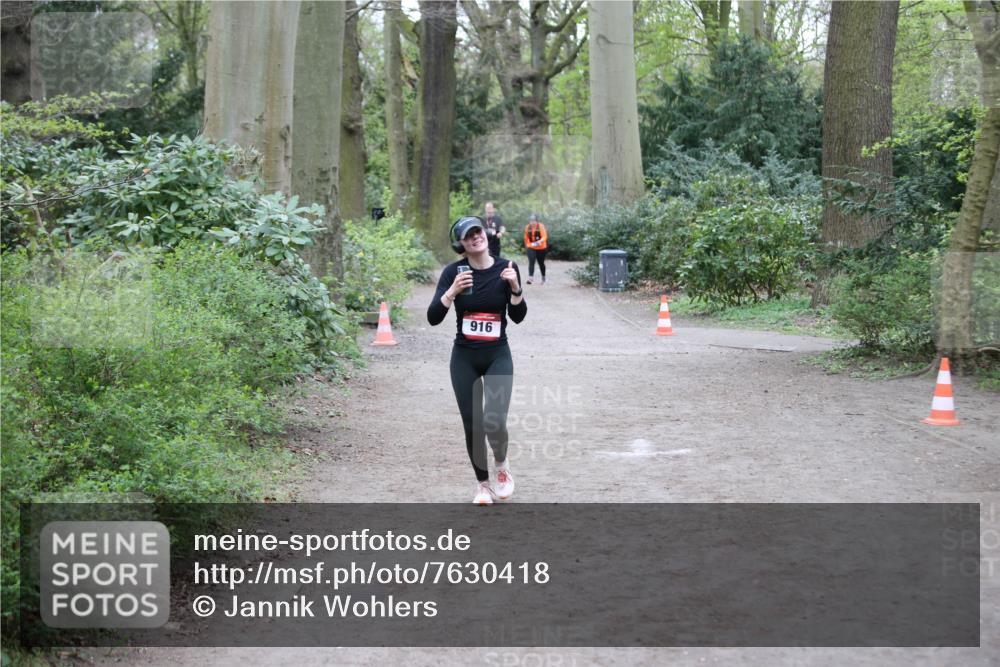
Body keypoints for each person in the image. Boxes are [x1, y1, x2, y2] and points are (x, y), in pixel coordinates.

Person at [427, 216, 526, 505]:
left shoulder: (506, 268)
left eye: (477, 232)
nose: (475, 238)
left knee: (494, 419)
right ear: (461, 244)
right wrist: (452, 291)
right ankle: (483, 485)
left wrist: (516, 288)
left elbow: (518, 317)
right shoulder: (453, 272)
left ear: (485, 234)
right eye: (468, 236)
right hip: (464, 357)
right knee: (473, 423)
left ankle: (502, 468)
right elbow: (433, 317)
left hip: (497, 354)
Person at [523, 212, 549, 285]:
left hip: (541, 247)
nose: (532, 222)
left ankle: (543, 278)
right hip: (531, 247)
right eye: (531, 220)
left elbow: (544, 236)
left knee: (541, 263)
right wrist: (529, 245)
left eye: (534, 220)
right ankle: (530, 278)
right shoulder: (527, 227)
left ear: (537, 221)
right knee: (531, 261)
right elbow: (526, 238)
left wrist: (539, 242)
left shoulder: (541, 226)